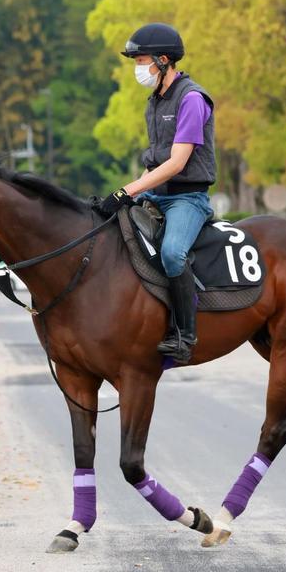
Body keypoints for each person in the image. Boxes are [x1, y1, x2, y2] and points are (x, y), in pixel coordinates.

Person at [98, 22, 216, 364]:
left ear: (163, 60)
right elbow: (154, 165)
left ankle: (184, 334)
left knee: (172, 254)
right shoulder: (155, 100)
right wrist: (126, 195)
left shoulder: (192, 99)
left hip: (187, 198)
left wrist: (129, 189)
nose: (138, 68)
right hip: (157, 194)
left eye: (141, 60)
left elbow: (178, 163)